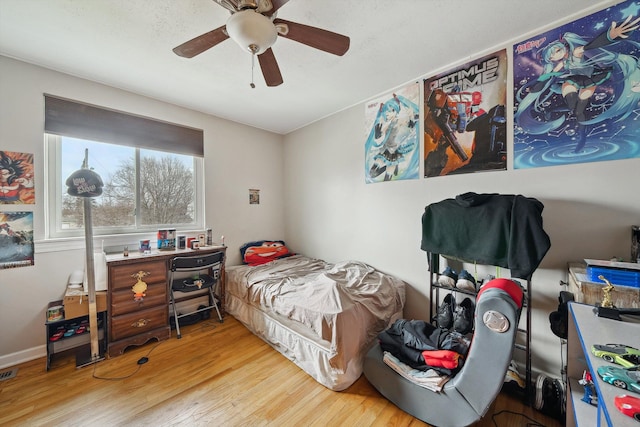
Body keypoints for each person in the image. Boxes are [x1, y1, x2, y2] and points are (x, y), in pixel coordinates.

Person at [515, 15, 640, 152]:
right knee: (572, 103)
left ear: (561, 47)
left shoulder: (577, 51)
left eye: (554, 53)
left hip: (591, 78)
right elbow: (546, 77)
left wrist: (610, 35)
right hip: (573, 80)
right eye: (550, 57)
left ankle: (581, 137)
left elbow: (593, 44)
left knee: (579, 111)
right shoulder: (562, 63)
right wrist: (534, 89)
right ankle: (554, 111)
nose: (554, 57)